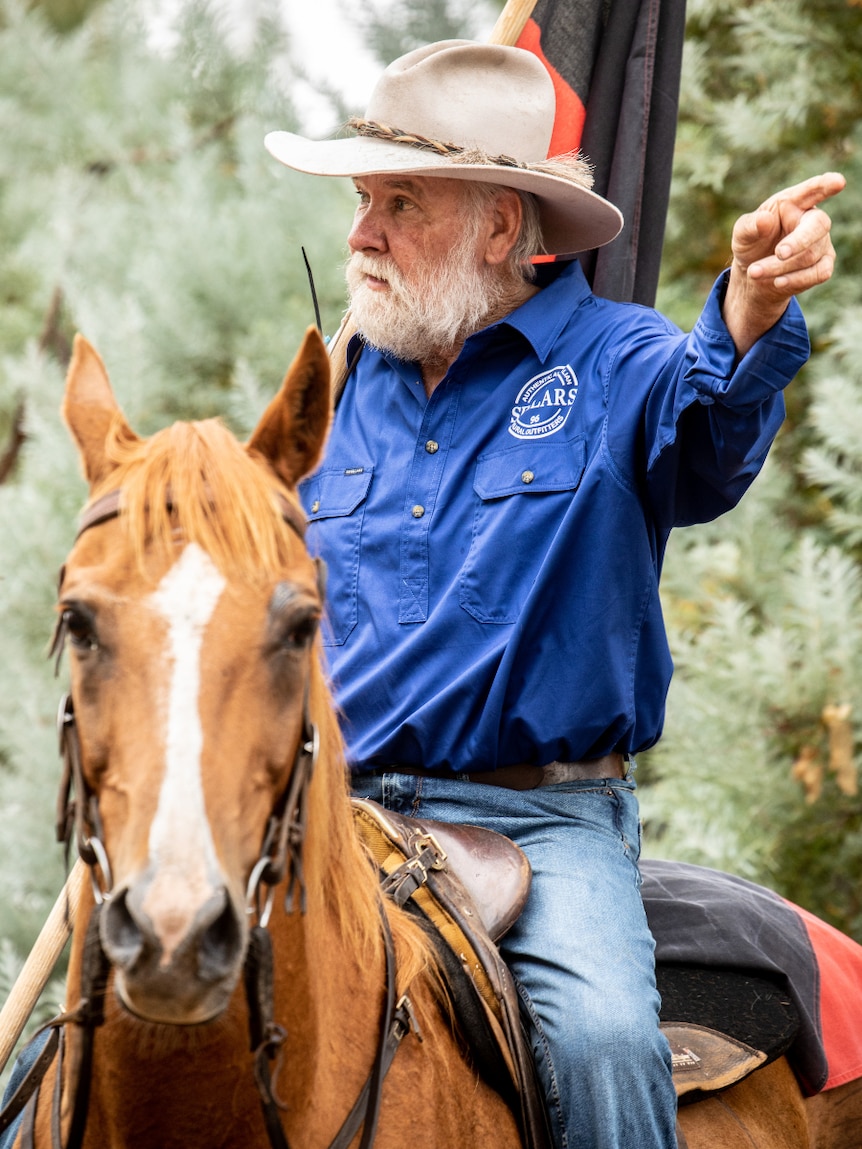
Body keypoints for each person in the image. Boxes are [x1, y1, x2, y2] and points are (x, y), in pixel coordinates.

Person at [262, 39, 844, 1149]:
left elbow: (710, 432)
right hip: (327, 820)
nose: (359, 235)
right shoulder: (328, 383)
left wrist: (753, 311)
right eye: (360, 200)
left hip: (537, 821)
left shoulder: (619, 363)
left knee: (601, 1043)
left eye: (397, 203)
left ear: (498, 228)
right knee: (133, 1004)